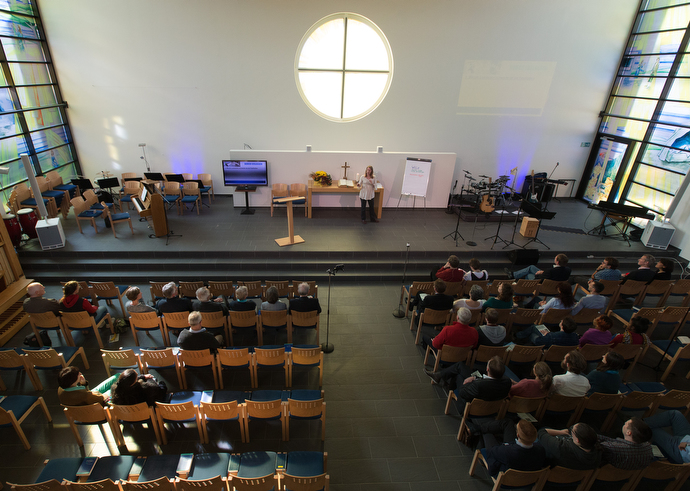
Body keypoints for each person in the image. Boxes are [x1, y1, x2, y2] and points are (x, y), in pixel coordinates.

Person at [424, 355, 512, 401]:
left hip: (472, 394)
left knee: (458, 375)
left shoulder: (478, 385)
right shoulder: (507, 382)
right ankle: (440, 377)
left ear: (487, 369)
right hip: (485, 386)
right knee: (460, 366)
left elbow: (464, 393)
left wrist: (470, 381)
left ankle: (445, 383)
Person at [478, 419, 546, 476]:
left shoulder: (508, 451)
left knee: (487, 433)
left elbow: (492, 451)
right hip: (525, 475)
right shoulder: (540, 449)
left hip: (505, 474)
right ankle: (475, 428)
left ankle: (475, 429)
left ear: (518, 435)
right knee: (508, 423)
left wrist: (505, 446)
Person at [537, 423, 602, 470]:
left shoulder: (561, 447)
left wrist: (561, 432)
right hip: (572, 475)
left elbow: (541, 433)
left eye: (572, 431)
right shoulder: (598, 455)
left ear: (577, 440)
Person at [505, 253, 571, 281]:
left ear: (558, 262)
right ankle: (514, 275)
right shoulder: (568, 270)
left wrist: (538, 273)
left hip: (543, 285)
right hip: (554, 281)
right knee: (531, 267)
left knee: (529, 275)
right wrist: (543, 272)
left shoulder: (550, 271)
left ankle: (525, 291)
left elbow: (540, 279)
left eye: (555, 258)